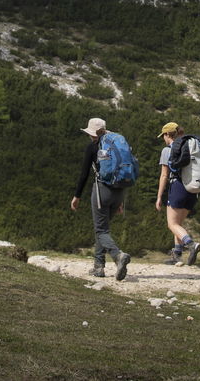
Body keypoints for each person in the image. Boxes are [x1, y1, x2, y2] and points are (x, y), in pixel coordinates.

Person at [70, 117, 131, 281]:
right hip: (119, 192)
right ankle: (98, 267)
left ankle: (118, 256)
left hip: (102, 191)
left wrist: (77, 196)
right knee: (102, 228)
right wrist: (121, 202)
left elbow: (84, 174)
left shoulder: (93, 147)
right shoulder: (116, 144)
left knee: (101, 230)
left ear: (92, 133)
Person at [156, 121, 200, 265]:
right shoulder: (189, 147)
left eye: (163, 135)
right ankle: (177, 255)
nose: (163, 138)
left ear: (167, 134)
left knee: (172, 224)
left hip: (177, 186)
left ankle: (191, 245)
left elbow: (164, 175)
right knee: (179, 223)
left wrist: (159, 197)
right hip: (192, 188)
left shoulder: (167, 150)